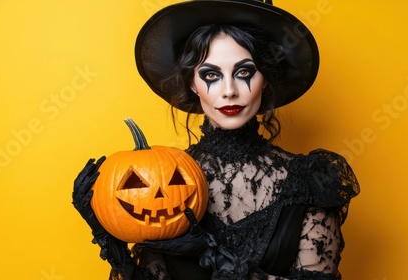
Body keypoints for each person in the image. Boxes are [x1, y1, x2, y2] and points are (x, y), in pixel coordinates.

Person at [72, 0, 360, 279]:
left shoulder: (310, 183)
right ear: (192, 84)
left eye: (244, 72)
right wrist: (109, 231)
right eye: (211, 75)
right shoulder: (162, 187)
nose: (229, 91)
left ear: (266, 79)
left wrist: (214, 259)